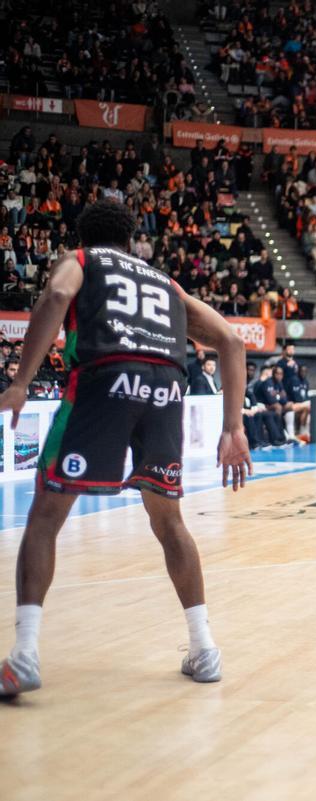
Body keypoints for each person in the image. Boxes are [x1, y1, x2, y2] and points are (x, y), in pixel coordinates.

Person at [0, 198, 252, 695]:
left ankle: (25, 653)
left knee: (46, 517)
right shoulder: (166, 283)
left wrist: (22, 380)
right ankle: (204, 649)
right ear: (132, 238)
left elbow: (54, 297)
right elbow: (232, 341)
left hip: (105, 376)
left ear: (82, 236)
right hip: (164, 390)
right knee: (170, 522)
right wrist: (233, 427)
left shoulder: (82, 261)